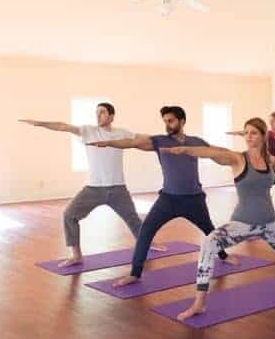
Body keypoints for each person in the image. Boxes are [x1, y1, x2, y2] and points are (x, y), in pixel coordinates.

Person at [161, 117, 275, 321]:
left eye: (253, 133)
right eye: (246, 132)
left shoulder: (269, 160)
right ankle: (199, 302)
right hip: (242, 224)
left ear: (263, 136)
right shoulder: (238, 159)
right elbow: (213, 153)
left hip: (270, 223)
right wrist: (185, 150)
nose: (248, 136)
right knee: (209, 243)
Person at [87, 106, 235, 287]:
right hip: (168, 199)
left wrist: (239, 157)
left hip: (194, 199)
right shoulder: (160, 141)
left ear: (182, 121)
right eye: (165, 121)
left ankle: (223, 255)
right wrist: (109, 143)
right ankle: (135, 273)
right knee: (146, 231)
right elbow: (132, 142)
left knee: (209, 230)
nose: (167, 125)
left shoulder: (195, 141)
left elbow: (215, 151)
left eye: (171, 121)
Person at [19, 103, 164, 267]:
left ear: (111, 116)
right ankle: (76, 256)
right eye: (96, 113)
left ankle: (149, 244)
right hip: (93, 188)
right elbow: (62, 126)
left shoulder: (122, 133)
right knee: (69, 215)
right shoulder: (89, 131)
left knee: (133, 219)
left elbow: (142, 139)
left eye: (102, 112)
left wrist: (166, 141)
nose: (98, 115)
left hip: (118, 188)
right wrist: (39, 123)